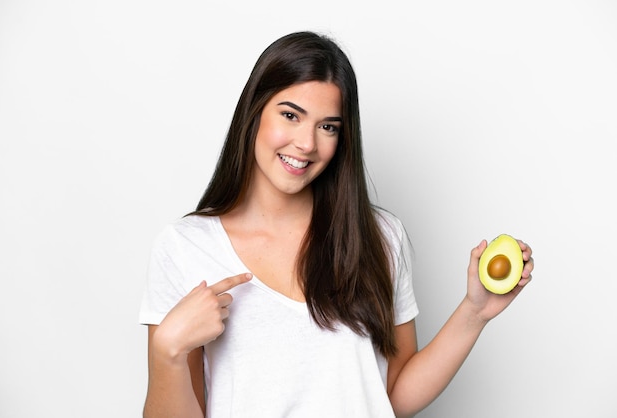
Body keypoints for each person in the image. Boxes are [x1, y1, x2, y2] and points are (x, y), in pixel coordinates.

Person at [139, 31, 534, 418]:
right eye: (291, 115)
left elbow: (393, 397)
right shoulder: (186, 248)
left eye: (328, 126)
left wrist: (474, 313)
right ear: (254, 112)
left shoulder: (378, 237)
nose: (307, 144)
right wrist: (167, 352)